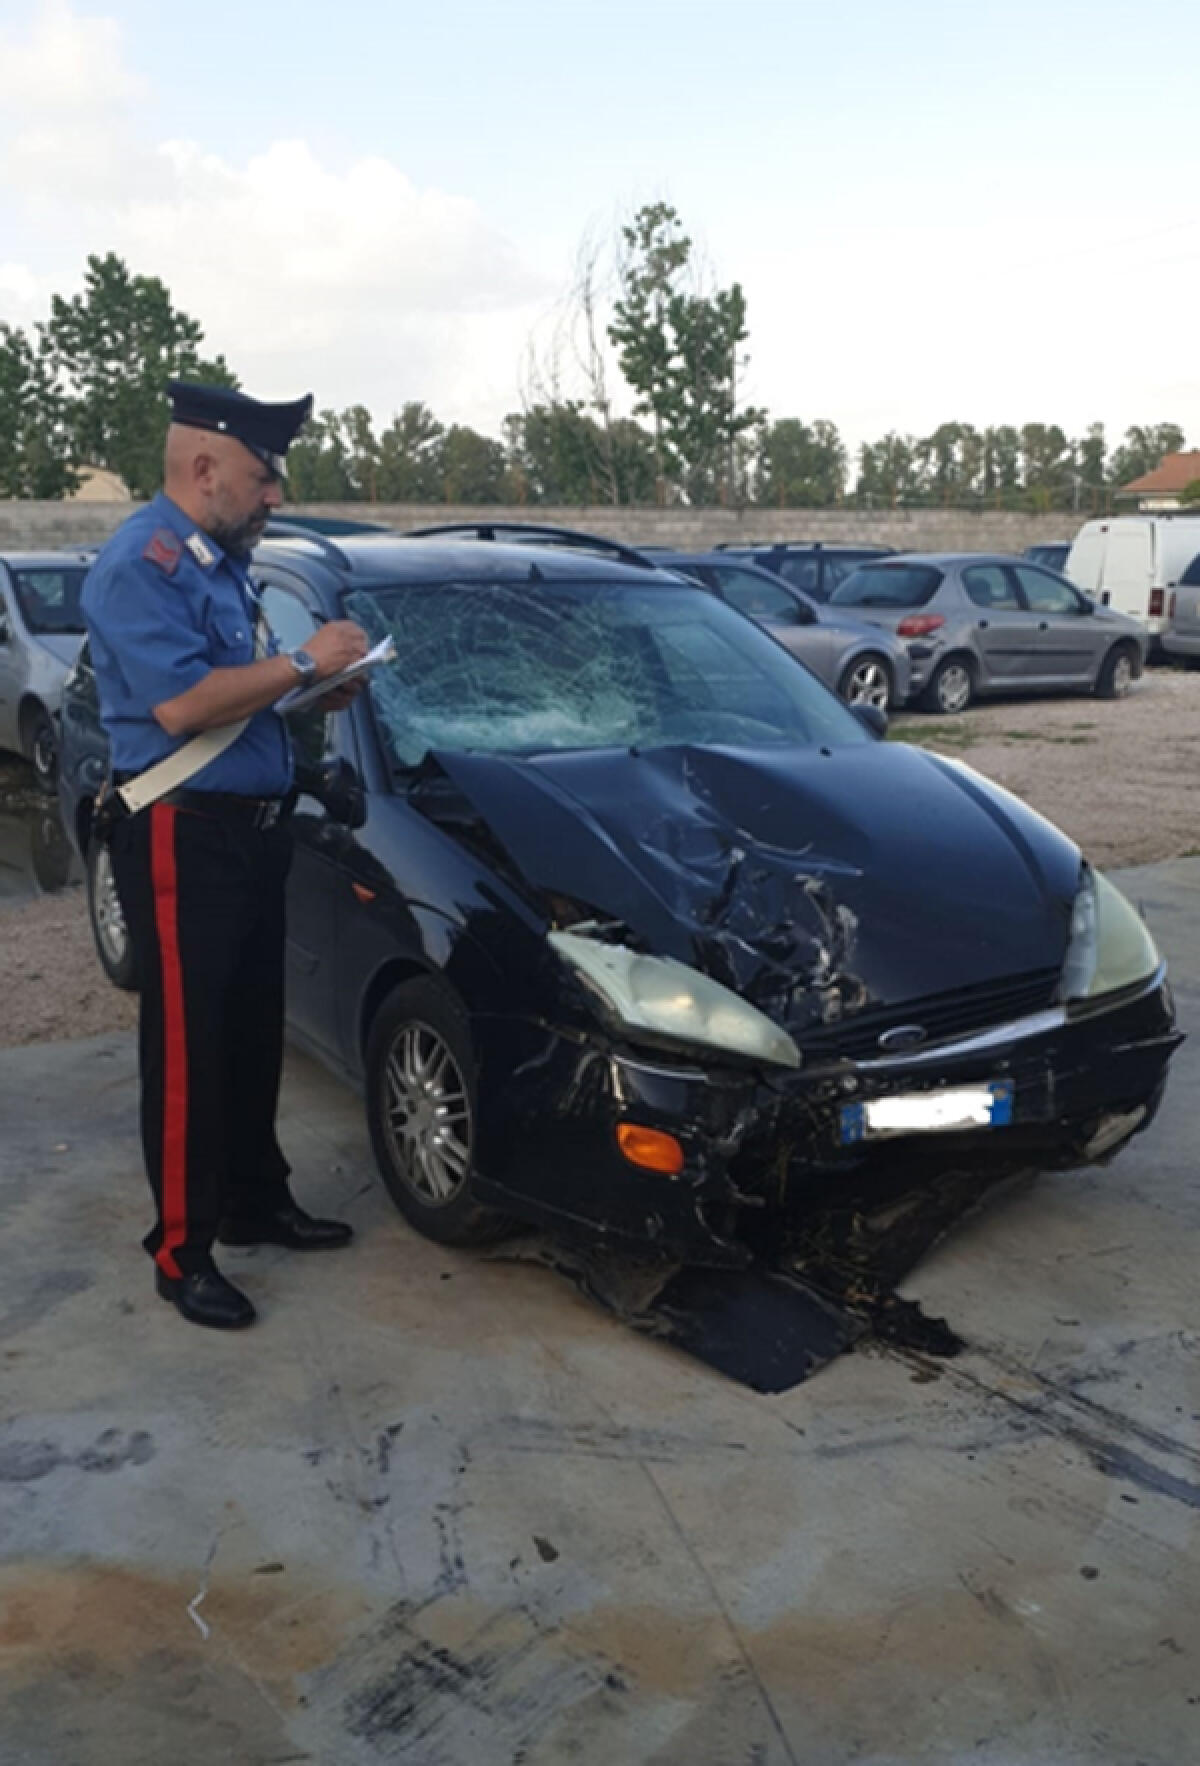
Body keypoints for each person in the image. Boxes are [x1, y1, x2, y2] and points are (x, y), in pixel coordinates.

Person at [82, 381, 370, 1330]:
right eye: (262, 475)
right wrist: (304, 662)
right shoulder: (143, 563)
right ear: (203, 469)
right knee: (187, 1047)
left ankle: (254, 1199)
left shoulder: (217, 558)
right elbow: (178, 709)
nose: (275, 495)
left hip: (248, 832)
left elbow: (228, 694)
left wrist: (301, 697)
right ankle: (181, 1249)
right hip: (181, 835)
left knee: (251, 1032)